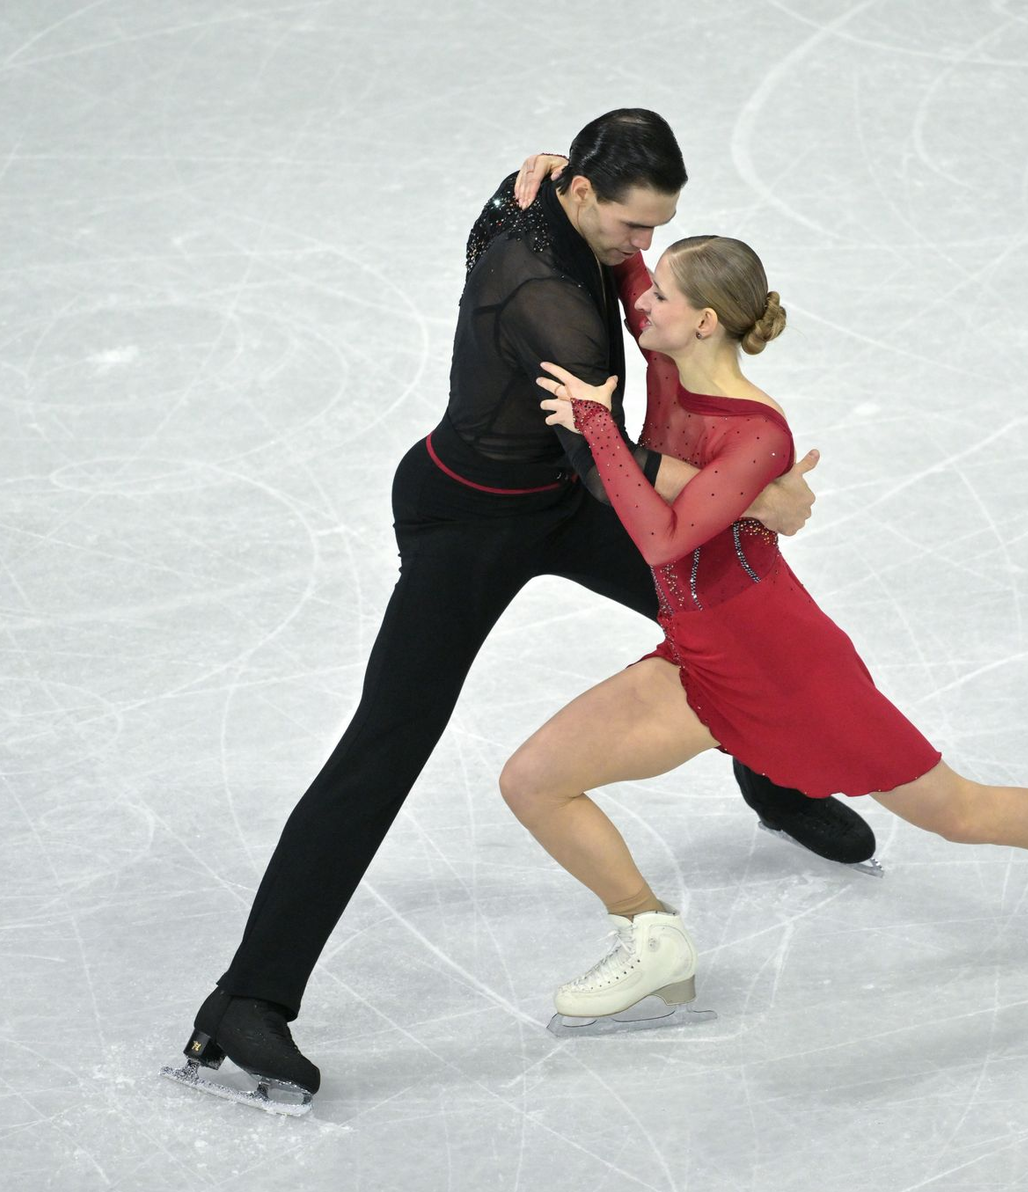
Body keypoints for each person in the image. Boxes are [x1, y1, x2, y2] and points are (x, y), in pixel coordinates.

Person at [161, 110, 879, 1114]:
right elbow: (606, 459)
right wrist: (753, 492)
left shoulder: (540, 198)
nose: (646, 251)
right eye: (634, 227)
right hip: (471, 520)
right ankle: (247, 1000)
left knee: (732, 618)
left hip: (563, 498)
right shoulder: (552, 303)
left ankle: (776, 780)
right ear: (583, 194)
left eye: (660, 227)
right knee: (389, 738)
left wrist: (523, 181)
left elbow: (497, 241)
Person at [498, 235, 1028, 1034]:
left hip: (784, 664)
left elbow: (663, 540)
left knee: (957, 810)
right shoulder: (665, 360)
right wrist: (566, 194)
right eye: (650, 290)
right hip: (698, 657)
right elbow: (625, 262)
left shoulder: (759, 433)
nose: (642, 306)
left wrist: (598, 427)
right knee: (533, 779)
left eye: (662, 295)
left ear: (704, 322)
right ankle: (649, 933)